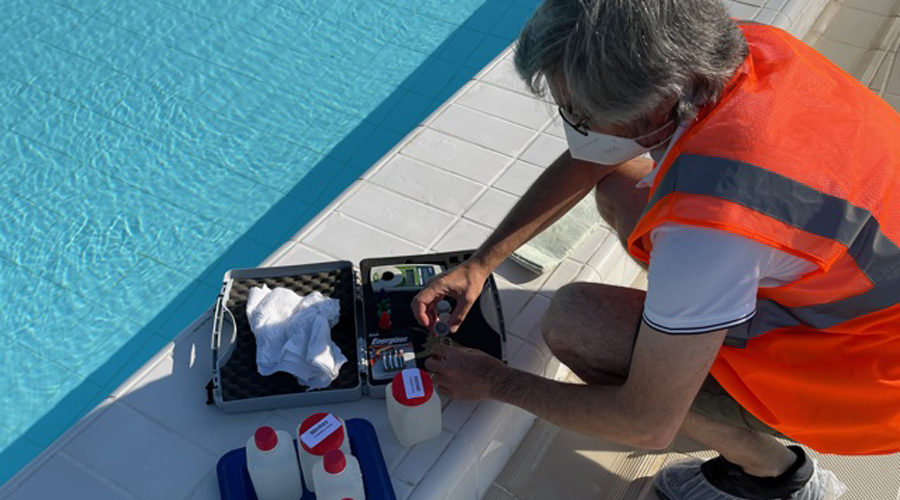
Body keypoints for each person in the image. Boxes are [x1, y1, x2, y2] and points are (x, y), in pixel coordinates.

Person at [411, 0, 900, 499]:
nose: (572, 123)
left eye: (578, 112)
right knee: (623, 184)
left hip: (870, 389)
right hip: (859, 312)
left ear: (655, 105)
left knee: (579, 322)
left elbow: (645, 424)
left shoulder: (713, 224)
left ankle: (773, 473)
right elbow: (594, 159)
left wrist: (497, 382)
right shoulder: (746, 49)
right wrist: (481, 262)